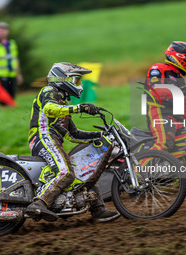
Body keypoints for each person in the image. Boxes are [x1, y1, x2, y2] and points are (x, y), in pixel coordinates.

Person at [26, 62, 120, 222]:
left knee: (84, 172)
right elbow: (49, 108)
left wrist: (102, 134)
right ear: (61, 78)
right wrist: (79, 108)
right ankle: (39, 204)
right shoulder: (49, 91)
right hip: (43, 137)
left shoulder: (63, 104)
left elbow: (73, 134)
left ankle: (98, 209)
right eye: (76, 80)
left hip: (53, 140)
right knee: (66, 172)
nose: (79, 84)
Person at [145, 41, 186, 157]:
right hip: (159, 114)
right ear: (179, 57)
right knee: (164, 143)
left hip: (176, 117)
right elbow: (154, 90)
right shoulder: (158, 68)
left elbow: (182, 105)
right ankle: (138, 172)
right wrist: (180, 91)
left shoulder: (179, 77)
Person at [0, 21, 23, 106]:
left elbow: (16, 59)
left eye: (3, 30)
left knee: (12, 94)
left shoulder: (12, 43)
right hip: (0, 74)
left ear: (7, 31)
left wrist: (19, 74)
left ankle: (10, 112)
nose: (1, 32)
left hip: (11, 73)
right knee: (3, 96)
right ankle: (4, 112)